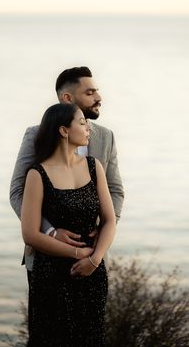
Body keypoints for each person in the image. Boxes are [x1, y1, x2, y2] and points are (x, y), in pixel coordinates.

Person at [21, 103, 116, 346]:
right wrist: (76, 253)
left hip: (91, 273)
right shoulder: (37, 174)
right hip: (51, 275)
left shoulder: (95, 167)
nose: (88, 129)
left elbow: (109, 220)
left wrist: (94, 260)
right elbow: (30, 234)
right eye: (82, 122)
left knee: (90, 338)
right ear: (64, 130)